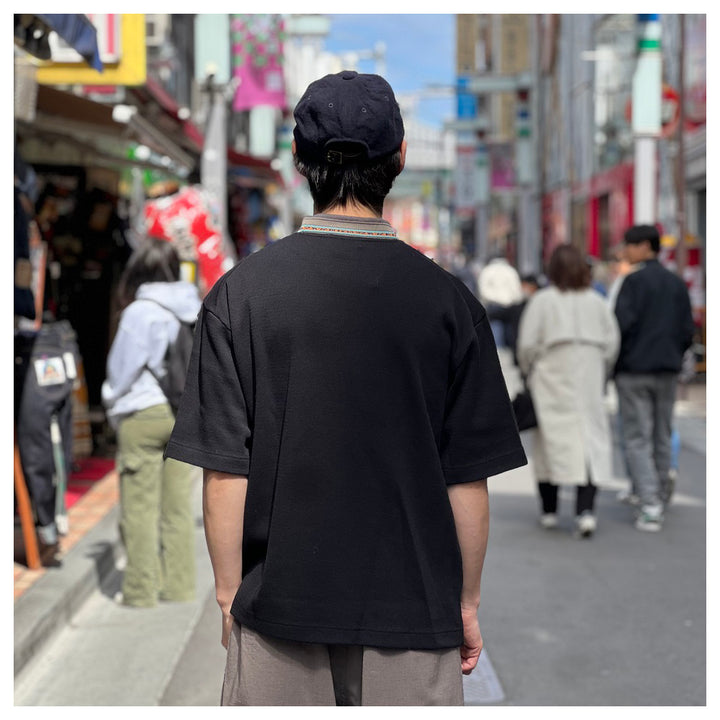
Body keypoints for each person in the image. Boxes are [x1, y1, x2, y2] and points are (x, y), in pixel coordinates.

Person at [164, 70, 527, 706]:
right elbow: (467, 480)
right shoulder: (449, 304)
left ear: (298, 157)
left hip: (278, 612)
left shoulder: (238, 297)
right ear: (400, 157)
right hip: (414, 614)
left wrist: (228, 596)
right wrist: (466, 600)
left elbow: (225, 471)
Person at [101, 237, 200, 607]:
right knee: (177, 506)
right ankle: (179, 586)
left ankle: (141, 590)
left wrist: (111, 404)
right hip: (180, 414)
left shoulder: (139, 313)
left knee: (140, 507)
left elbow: (121, 373)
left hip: (142, 413)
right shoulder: (192, 306)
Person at [517, 244, 620, 538]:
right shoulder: (597, 302)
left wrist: (529, 369)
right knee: (589, 445)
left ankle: (549, 511)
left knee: (550, 446)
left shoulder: (542, 301)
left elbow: (526, 345)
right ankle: (585, 512)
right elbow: (612, 343)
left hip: (550, 379)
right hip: (588, 380)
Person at [612, 224, 695, 532]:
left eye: (629, 245)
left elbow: (620, 326)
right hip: (668, 370)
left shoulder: (632, 282)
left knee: (636, 436)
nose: (625, 251)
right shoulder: (676, 283)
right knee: (662, 432)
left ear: (645, 246)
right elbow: (687, 329)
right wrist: (674, 355)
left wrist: (617, 362)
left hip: (634, 370)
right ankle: (657, 491)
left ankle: (649, 503)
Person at [477, 252, 523, 347]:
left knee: (495, 329)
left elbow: (483, 291)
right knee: (510, 331)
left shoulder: (487, 270)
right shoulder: (511, 270)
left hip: (494, 305)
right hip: (510, 305)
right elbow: (517, 291)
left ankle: (497, 351)